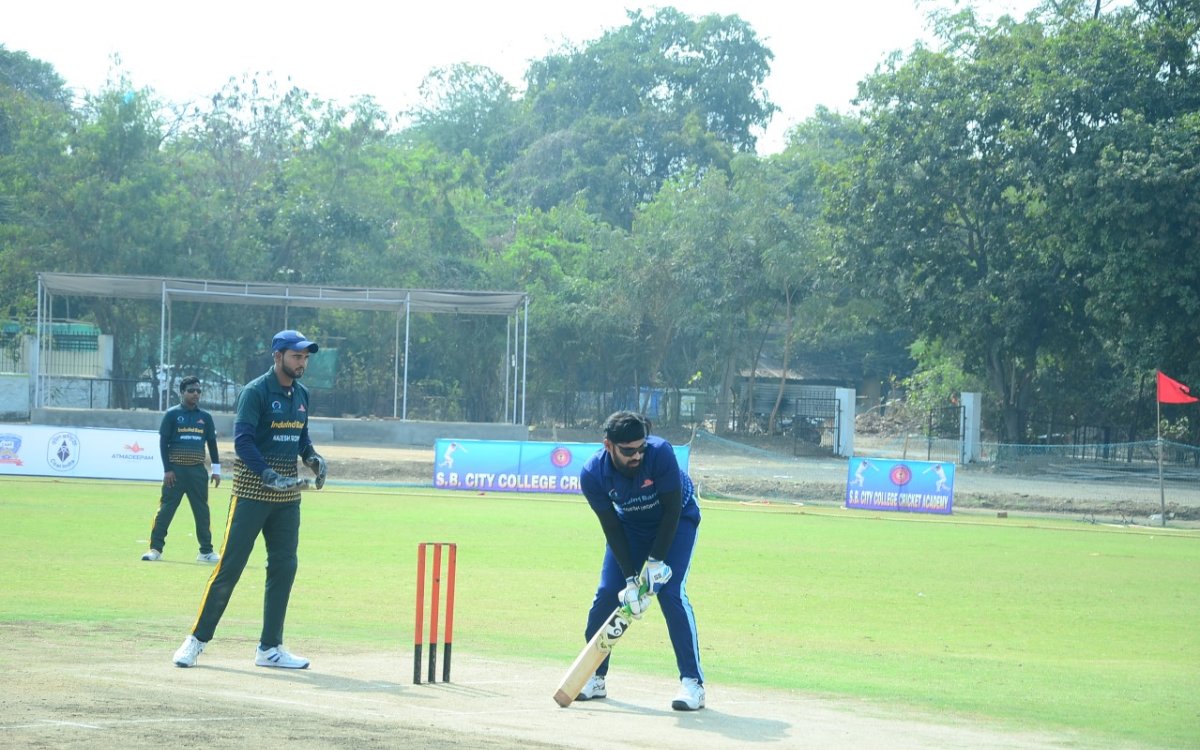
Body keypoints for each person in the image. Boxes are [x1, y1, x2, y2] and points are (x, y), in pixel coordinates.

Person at [172, 330, 328, 670]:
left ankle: (270, 648)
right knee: (229, 568)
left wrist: (314, 458)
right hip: (252, 493)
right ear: (278, 357)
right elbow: (243, 443)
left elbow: (301, 439)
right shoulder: (255, 392)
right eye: (296, 356)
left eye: (305, 357)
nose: (303, 362)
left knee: (285, 566)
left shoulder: (301, 394)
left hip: (287, 496)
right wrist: (267, 474)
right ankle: (196, 640)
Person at [575, 410, 705, 710]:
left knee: (671, 593)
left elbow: (672, 510)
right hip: (630, 529)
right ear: (608, 446)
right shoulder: (592, 474)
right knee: (608, 594)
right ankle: (595, 676)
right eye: (628, 451)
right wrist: (632, 579)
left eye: (640, 448)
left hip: (677, 521)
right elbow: (611, 526)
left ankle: (692, 684)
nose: (637, 456)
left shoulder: (659, 453)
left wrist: (657, 563)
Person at [141, 375, 222, 563]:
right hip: (175, 472)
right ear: (182, 392)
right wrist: (167, 470)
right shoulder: (172, 414)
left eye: (198, 391)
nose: (195, 394)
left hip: (197, 472)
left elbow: (212, 443)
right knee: (166, 510)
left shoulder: (205, 417)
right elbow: (163, 443)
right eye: (191, 390)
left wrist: (216, 470)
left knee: (202, 512)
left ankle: (206, 552)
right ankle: (155, 549)